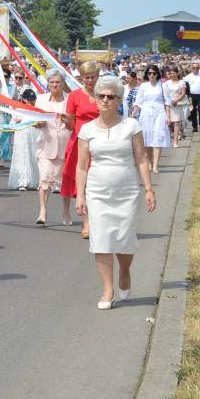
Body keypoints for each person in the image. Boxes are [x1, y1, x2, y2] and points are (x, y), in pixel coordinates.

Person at [75, 76, 156, 310]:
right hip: (98, 191)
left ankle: (125, 270)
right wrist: (80, 195)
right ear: (96, 98)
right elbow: (81, 167)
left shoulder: (131, 125)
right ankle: (108, 290)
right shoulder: (87, 129)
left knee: (125, 238)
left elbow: (141, 159)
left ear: (119, 100)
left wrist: (149, 189)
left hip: (127, 190)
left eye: (111, 97)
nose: (105, 100)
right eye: (101, 96)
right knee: (101, 239)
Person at [61, 61, 101, 239]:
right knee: (83, 181)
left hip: (100, 142)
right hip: (80, 142)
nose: (90, 81)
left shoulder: (104, 94)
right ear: (81, 78)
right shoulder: (74, 96)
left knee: (98, 181)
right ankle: (87, 220)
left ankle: (98, 219)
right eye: (87, 77)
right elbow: (71, 125)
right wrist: (66, 121)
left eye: (93, 77)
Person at [33, 70, 71, 225]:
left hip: (66, 145)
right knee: (44, 178)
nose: (55, 85)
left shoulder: (70, 99)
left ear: (63, 83)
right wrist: (39, 123)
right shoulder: (41, 99)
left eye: (58, 82)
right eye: (52, 82)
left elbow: (74, 123)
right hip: (45, 146)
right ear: (47, 84)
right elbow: (35, 121)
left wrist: (67, 120)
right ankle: (43, 210)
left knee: (65, 181)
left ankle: (66, 213)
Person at [131, 64, 171, 174]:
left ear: (157, 74)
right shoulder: (143, 86)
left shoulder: (163, 86)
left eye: (154, 73)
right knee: (147, 140)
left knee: (158, 138)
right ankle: (149, 162)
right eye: (149, 73)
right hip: (146, 112)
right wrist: (132, 116)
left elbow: (167, 102)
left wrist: (168, 116)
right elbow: (138, 102)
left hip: (159, 112)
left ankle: (156, 164)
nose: (152, 75)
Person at [7, 89, 40, 192]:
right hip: (21, 137)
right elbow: (12, 125)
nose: (31, 102)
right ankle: (22, 182)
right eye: (29, 100)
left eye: (33, 99)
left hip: (34, 136)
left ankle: (33, 181)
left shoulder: (37, 110)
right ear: (24, 99)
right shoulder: (18, 111)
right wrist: (17, 122)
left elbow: (40, 123)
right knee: (22, 157)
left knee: (33, 157)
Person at [166, 67, 187, 148]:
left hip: (177, 103)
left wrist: (176, 100)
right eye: (171, 74)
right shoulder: (167, 83)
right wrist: (169, 101)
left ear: (177, 73)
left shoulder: (182, 82)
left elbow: (183, 93)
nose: (172, 75)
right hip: (169, 103)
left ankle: (175, 141)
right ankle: (168, 140)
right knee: (169, 122)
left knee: (177, 122)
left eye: (174, 73)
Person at [184, 63, 200, 133]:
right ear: (191, 69)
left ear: (199, 68)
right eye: (194, 68)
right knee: (193, 111)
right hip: (192, 95)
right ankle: (194, 126)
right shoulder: (188, 77)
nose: (195, 69)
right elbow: (184, 85)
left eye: (197, 68)